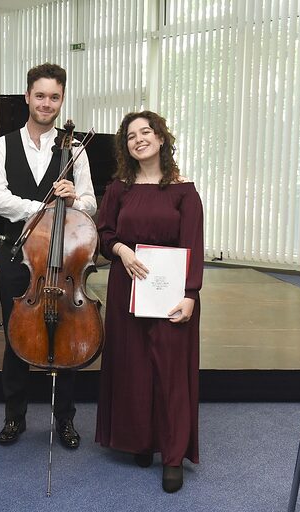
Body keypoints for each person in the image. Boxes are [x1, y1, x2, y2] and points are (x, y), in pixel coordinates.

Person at [0, 63, 96, 449]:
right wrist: (42, 210)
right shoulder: (4, 145)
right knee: (18, 338)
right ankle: (14, 417)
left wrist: (73, 198)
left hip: (63, 261)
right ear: (28, 97)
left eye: (54, 97)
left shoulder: (75, 149)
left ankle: (64, 419)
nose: (46, 103)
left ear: (60, 99)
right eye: (40, 95)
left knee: (65, 338)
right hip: (19, 258)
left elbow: (90, 204)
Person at [94, 111, 203, 493]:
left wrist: (190, 295)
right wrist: (122, 250)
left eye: (146, 132)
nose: (138, 139)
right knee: (133, 368)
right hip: (127, 285)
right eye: (130, 136)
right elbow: (104, 233)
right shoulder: (118, 189)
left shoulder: (183, 190)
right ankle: (141, 440)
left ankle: (172, 455)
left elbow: (193, 245)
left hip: (171, 291)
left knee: (170, 373)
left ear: (161, 138)